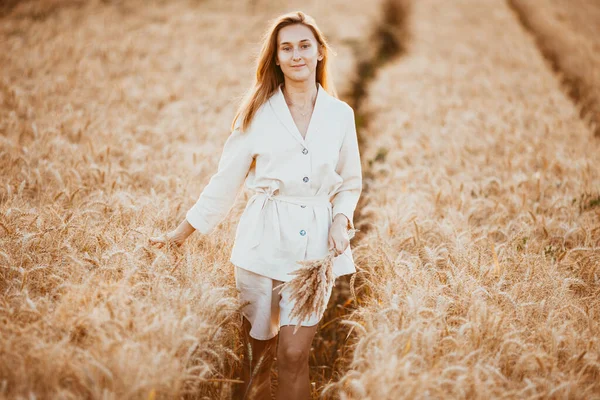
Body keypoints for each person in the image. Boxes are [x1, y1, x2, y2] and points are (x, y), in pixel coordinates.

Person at [149, 10, 362, 400]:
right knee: (259, 361)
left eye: (304, 45)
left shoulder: (340, 115)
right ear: (276, 58)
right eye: (286, 48)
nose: (296, 54)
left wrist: (340, 220)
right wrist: (180, 235)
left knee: (295, 355)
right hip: (260, 246)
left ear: (319, 53)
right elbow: (224, 184)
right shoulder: (256, 114)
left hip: (315, 253)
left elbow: (350, 183)